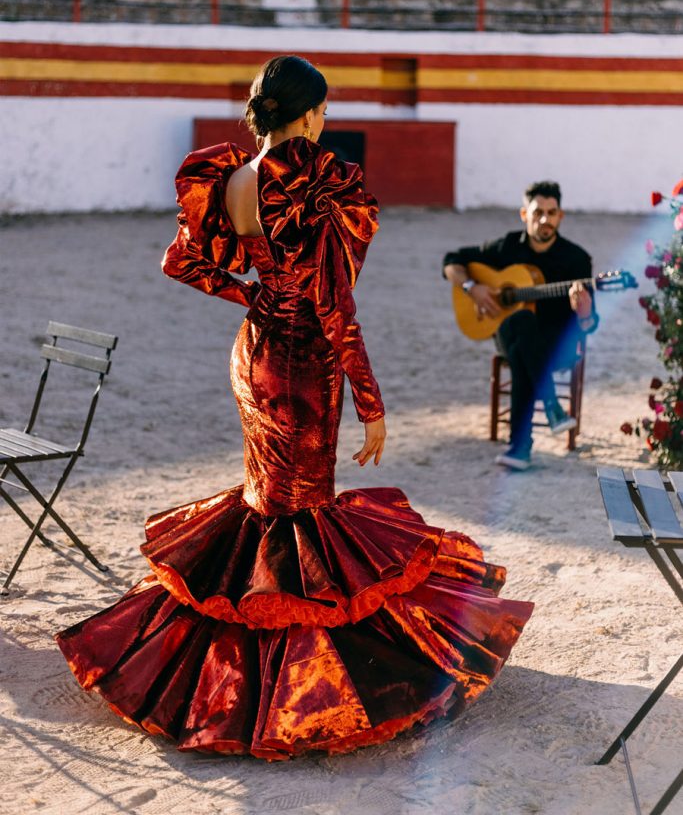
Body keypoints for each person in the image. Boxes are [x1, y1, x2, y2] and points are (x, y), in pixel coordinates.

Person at [56, 55, 533, 759]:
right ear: (307, 113)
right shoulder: (316, 177)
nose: (327, 118)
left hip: (253, 354)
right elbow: (334, 304)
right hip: (304, 363)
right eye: (325, 108)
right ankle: (302, 689)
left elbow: (182, 261)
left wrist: (251, 295)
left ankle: (251, 676)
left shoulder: (232, 177)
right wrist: (370, 401)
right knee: (302, 512)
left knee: (271, 506)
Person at [443, 181, 598, 472]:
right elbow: (451, 261)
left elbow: (589, 325)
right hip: (507, 332)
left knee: (522, 347)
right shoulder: (506, 248)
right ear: (524, 214)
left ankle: (520, 446)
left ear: (560, 216)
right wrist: (471, 287)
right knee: (522, 324)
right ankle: (550, 407)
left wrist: (585, 311)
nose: (545, 220)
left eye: (552, 213)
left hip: (556, 346)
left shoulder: (576, 259)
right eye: (538, 212)